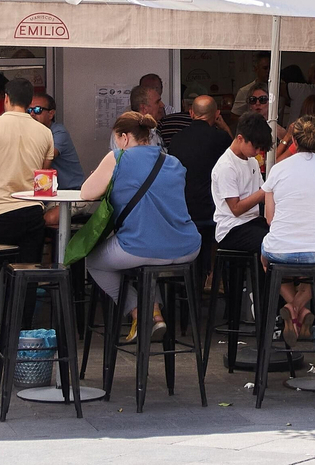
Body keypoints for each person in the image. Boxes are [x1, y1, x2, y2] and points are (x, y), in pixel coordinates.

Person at [80, 111, 202, 342]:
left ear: (124, 137)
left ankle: (139, 312)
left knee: (93, 261)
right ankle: (155, 312)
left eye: (116, 138)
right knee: (148, 266)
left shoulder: (118, 158)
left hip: (141, 247)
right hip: (187, 247)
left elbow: (87, 193)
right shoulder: (173, 162)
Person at [260, 116, 315, 342]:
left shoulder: (277, 169)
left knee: (266, 261)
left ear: (294, 141)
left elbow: (270, 219)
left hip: (280, 249)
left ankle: (293, 306)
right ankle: (301, 307)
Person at [0, 77, 54, 264]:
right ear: (29, 102)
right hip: (32, 214)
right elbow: (43, 173)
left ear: (6, 98)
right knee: (25, 272)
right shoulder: (46, 132)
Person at [165, 95, 234, 274]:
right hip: (212, 210)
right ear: (217, 114)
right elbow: (236, 158)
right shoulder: (221, 138)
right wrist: (226, 128)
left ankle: (192, 279)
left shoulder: (176, 139)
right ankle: (214, 276)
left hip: (182, 209)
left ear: (191, 113)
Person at [211, 111, 272, 255]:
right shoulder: (226, 166)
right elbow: (236, 209)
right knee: (271, 241)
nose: (258, 152)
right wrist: (265, 190)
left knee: (281, 234)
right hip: (231, 228)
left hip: (252, 221)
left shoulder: (252, 161)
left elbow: (264, 195)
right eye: (255, 147)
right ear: (240, 138)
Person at [30, 92, 86, 190]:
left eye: (37, 110)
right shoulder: (31, 132)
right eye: (29, 110)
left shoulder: (59, 132)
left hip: (71, 191)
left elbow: (48, 157)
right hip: (49, 190)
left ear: (51, 114)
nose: (32, 114)